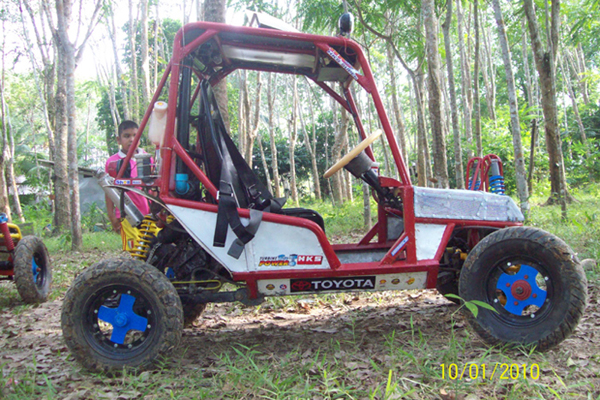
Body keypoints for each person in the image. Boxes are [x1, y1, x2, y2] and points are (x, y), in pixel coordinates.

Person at [105, 120, 150, 251]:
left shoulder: (146, 159)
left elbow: (152, 187)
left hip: (148, 214)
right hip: (126, 215)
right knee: (135, 250)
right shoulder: (113, 162)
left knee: (151, 248)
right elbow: (109, 191)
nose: (131, 139)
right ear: (119, 139)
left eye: (135, 135)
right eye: (127, 136)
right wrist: (111, 215)